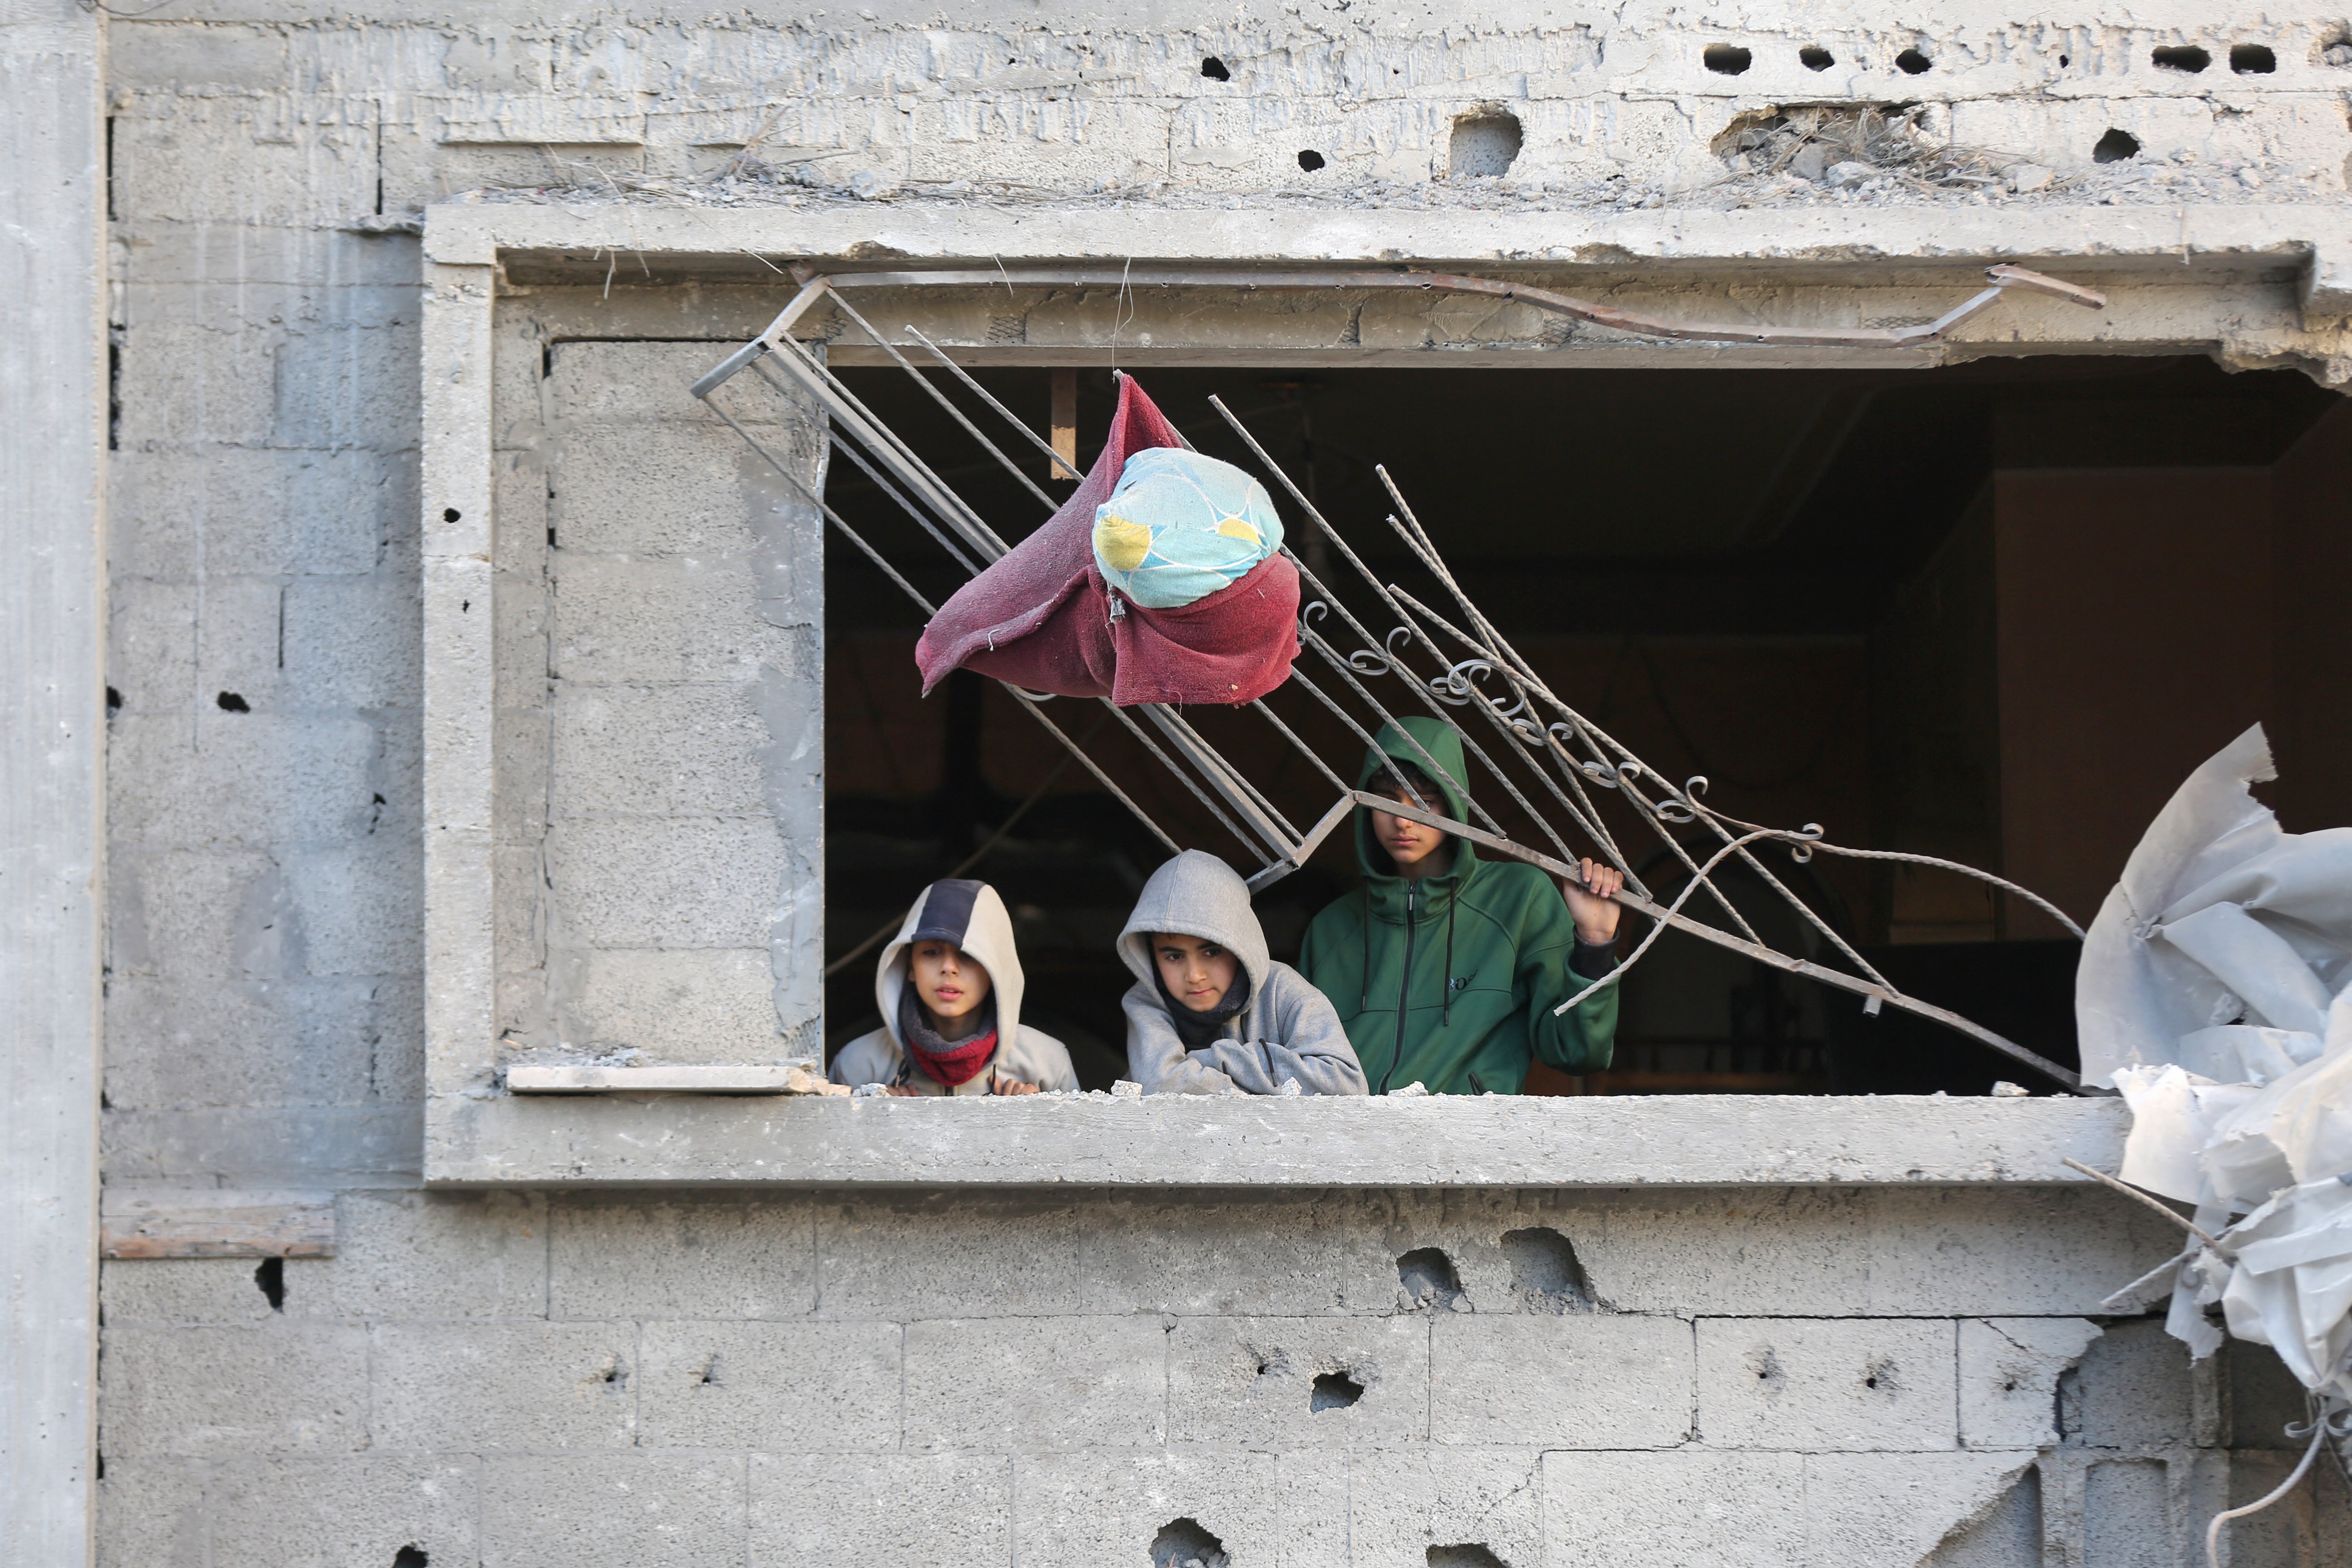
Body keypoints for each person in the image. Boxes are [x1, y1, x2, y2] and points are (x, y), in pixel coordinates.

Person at [1297, 716, 1625, 1095]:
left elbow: (1576, 1052)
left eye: (1426, 801)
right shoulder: (1332, 928)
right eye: (1386, 800)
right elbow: (1302, 1059)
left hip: (1469, 1140)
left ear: (1454, 804)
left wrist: (1595, 945)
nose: (1403, 820)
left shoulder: (1517, 897)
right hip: (1348, 1142)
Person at [1117, 849, 1369, 1095]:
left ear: (1239, 947)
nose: (1194, 975)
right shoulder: (1146, 1001)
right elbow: (1161, 1084)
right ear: (1152, 956)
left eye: (1212, 953)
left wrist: (1217, 1059)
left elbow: (1345, 1084)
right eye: (1174, 957)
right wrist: (1265, 1086)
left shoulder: (1282, 990)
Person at [829, 878, 1079, 1095]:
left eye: (969, 955)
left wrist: (1035, 1123)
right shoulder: (859, 1063)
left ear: (995, 969)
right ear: (911, 967)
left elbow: (1078, 1148)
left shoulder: (1045, 1062)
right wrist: (874, 1124)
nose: (949, 967)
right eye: (931, 952)